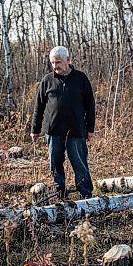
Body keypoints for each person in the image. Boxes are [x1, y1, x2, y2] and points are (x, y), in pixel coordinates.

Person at [31, 46, 95, 199]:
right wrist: (35, 128)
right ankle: (60, 193)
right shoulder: (47, 80)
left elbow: (90, 105)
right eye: (52, 63)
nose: (55, 66)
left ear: (68, 59)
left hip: (76, 131)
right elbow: (38, 106)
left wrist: (90, 128)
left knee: (80, 164)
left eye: (58, 62)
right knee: (55, 165)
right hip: (53, 131)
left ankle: (86, 193)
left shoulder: (81, 78)